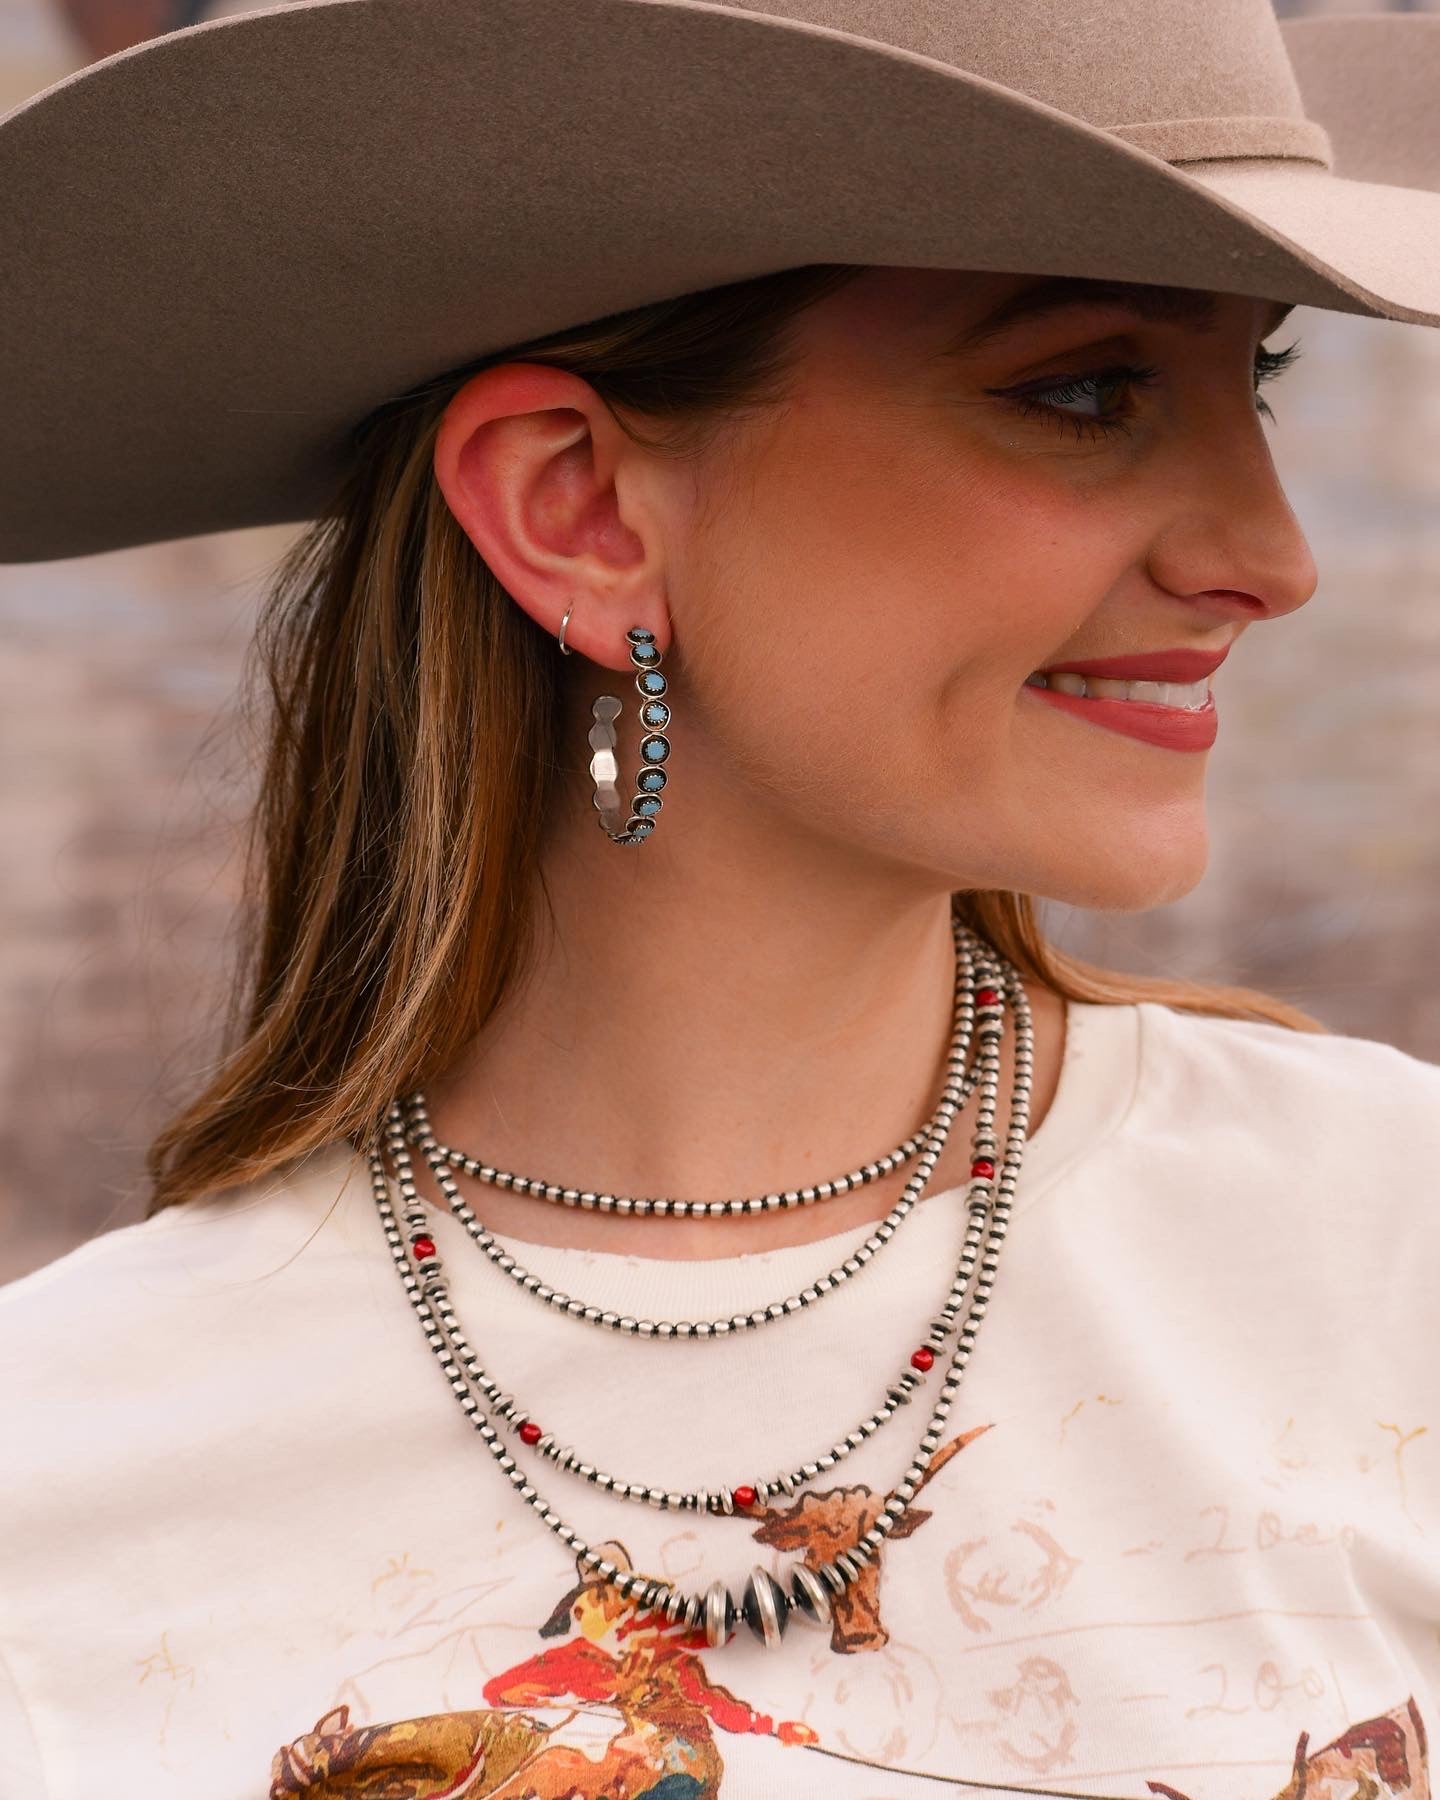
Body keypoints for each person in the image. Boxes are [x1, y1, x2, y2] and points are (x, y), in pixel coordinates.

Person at [1, 1, 1438, 1795]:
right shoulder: (59, 1484)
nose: (1269, 557)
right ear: (580, 509)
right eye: (1085, 390)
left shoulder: (1388, 1257)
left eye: (1262, 383)